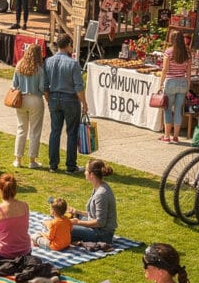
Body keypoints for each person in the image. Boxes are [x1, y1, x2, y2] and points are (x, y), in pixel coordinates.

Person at [43, 33, 86, 173]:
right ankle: (70, 166)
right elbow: (78, 86)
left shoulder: (48, 61)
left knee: (55, 131)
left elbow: (45, 85)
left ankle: (53, 165)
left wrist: (49, 100)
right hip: (70, 99)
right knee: (72, 133)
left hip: (54, 98)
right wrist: (84, 103)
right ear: (68, 45)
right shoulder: (73, 63)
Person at [11, 42, 47, 169]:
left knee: (21, 128)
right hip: (35, 99)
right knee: (35, 131)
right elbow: (42, 88)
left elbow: (14, 85)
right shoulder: (39, 69)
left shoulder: (19, 65)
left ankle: (18, 159)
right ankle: (32, 161)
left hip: (21, 99)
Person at [70, 159, 119, 248]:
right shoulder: (100, 186)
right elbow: (94, 214)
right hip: (96, 228)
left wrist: (78, 222)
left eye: (86, 170)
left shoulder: (101, 194)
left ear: (92, 174)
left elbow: (100, 222)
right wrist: (77, 212)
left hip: (102, 234)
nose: (84, 172)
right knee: (66, 218)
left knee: (64, 227)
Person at [158, 30, 191, 143]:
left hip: (171, 82)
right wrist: (188, 86)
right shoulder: (187, 53)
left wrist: (160, 84)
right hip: (182, 83)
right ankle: (176, 136)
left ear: (172, 39)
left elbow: (165, 69)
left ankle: (167, 136)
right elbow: (188, 72)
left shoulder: (168, 52)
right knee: (178, 110)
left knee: (167, 109)